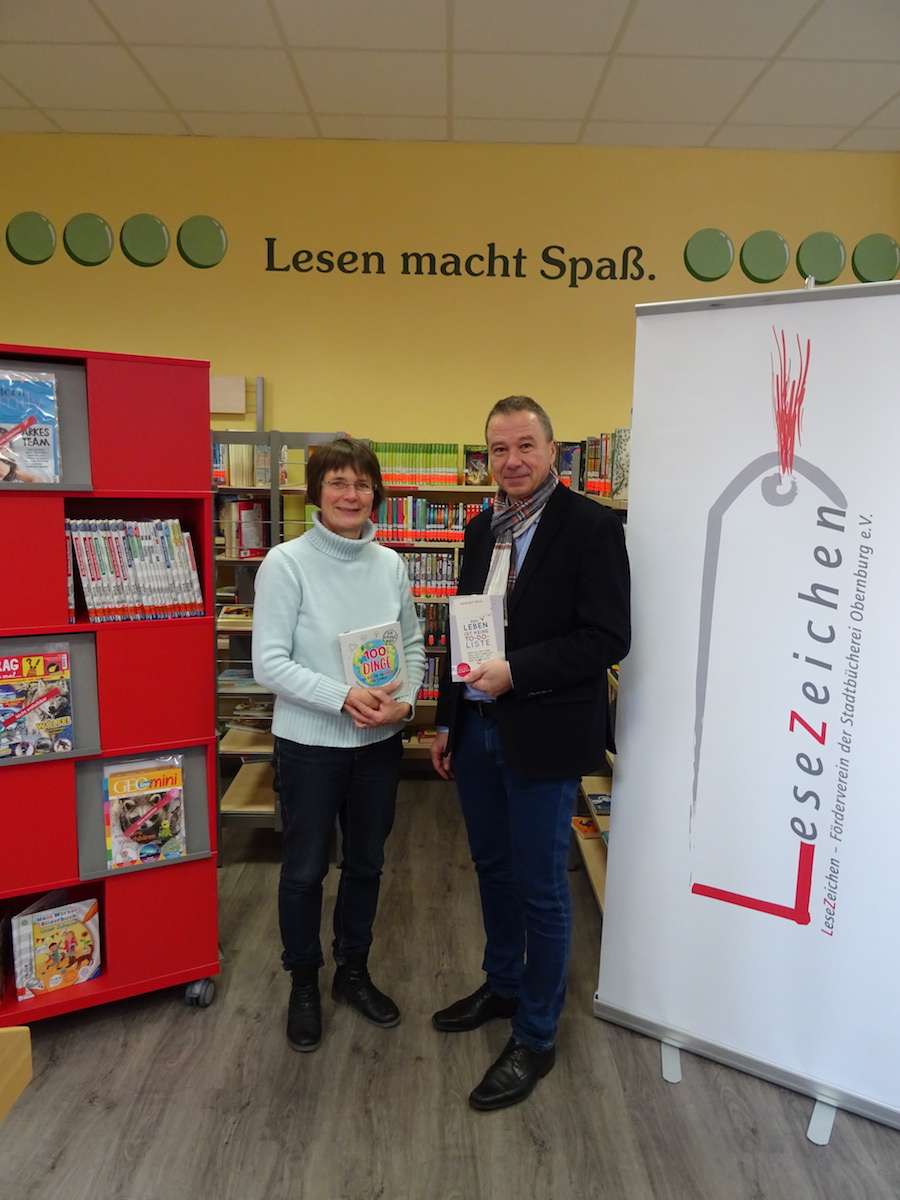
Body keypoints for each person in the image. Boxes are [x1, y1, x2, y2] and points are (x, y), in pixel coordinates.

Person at [431, 396, 630, 1111]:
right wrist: (447, 719)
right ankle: (504, 985)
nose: (511, 461)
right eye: (498, 449)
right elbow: (462, 627)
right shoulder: (481, 527)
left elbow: (607, 638)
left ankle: (537, 1034)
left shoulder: (592, 528)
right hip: (477, 729)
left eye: (525, 446)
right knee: (491, 867)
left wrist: (518, 671)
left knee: (542, 885)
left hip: (544, 730)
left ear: (552, 450)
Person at [252, 437, 425, 1054]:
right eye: (337, 483)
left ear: (375, 493)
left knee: (367, 863)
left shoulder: (390, 565)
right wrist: (341, 696)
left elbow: (412, 644)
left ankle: (353, 970)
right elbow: (269, 663)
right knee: (304, 870)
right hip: (309, 746)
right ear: (317, 493)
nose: (351, 495)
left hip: (378, 744)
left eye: (361, 484)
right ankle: (303, 979)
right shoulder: (286, 563)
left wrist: (407, 704)